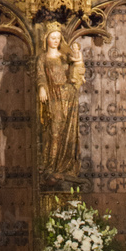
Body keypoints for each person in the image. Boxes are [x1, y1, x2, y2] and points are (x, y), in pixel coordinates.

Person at [37, 24, 85, 185]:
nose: (56, 40)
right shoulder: (43, 58)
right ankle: (50, 167)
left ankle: (66, 167)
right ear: (46, 39)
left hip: (70, 96)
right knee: (54, 131)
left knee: (69, 131)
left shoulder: (66, 56)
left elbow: (77, 71)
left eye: (58, 38)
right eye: (53, 37)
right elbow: (40, 75)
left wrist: (78, 64)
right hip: (53, 96)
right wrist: (42, 88)